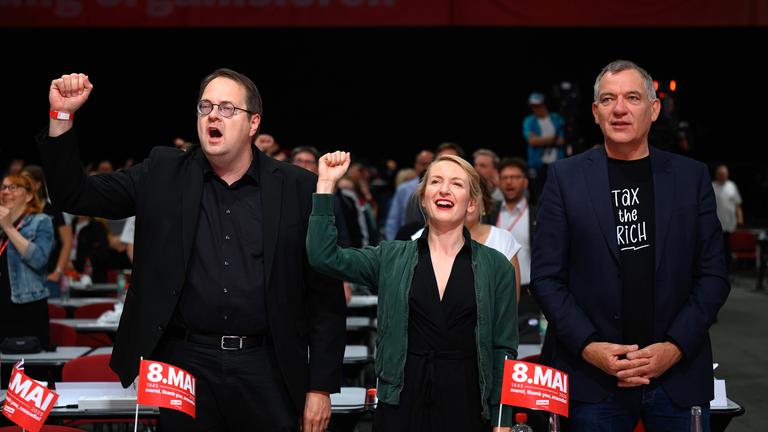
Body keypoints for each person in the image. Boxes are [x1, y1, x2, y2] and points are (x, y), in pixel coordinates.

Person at [37, 70, 346, 431]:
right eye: (205, 107)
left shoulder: (299, 188)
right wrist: (61, 116)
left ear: (253, 123)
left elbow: (325, 297)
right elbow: (74, 195)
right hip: (184, 364)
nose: (213, 116)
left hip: (268, 367)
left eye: (227, 108)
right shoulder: (163, 173)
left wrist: (320, 387)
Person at [531, 60, 730, 431]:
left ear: (653, 109)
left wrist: (674, 347)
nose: (619, 108)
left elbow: (714, 276)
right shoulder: (564, 178)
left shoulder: (691, 177)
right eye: (608, 99)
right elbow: (546, 278)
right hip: (592, 380)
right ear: (596, 112)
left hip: (677, 376)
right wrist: (590, 347)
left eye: (632, 98)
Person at [308, 151, 518, 431]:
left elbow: (503, 349)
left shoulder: (497, 267)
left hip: (467, 406)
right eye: (436, 182)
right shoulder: (390, 257)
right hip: (400, 406)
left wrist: (502, 420)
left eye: (456, 184)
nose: (444, 189)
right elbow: (323, 257)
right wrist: (325, 185)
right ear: (423, 198)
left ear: (471, 203)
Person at [413, 176, 522, 302]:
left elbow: (510, 301)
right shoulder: (420, 238)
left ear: (483, 204)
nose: (467, 201)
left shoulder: (502, 239)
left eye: (473, 195)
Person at [0, 173, 53, 348]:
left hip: (27, 306)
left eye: (13, 187)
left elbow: (39, 260)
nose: (6, 192)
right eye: (3, 187)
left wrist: (8, 227)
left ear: (29, 195)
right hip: (3, 306)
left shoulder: (41, 221)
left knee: (30, 362)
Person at [21, 165, 74, 297]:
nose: (22, 185)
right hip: (24, 277)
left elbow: (67, 242)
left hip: (49, 277)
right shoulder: (20, 210)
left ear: (38, 184)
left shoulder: (54, 210)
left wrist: (58, 271)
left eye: (26, 181)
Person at [522, 92, 566, 204]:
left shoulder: (556, 118)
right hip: (537, 164)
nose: (535, 109)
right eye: (533, 106)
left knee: (558, 194)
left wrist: (540, 140)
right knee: (539, 195)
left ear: (544, 104)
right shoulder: (529, 121)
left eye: (538, 105)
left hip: (556, 162)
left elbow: (562, 140)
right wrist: (553, 139)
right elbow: (532, 141)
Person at [711, 163, 743, 269]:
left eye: (725, 173)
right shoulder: (712, 186)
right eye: (721, 173)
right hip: (716, 224)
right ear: (717, 174)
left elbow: (738, 204)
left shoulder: (732, 186)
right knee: (717, 248)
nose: (723, 175)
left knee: (729, 247)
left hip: (730, 224)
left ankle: (729, 269)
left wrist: (740, 217)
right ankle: (717, 268)